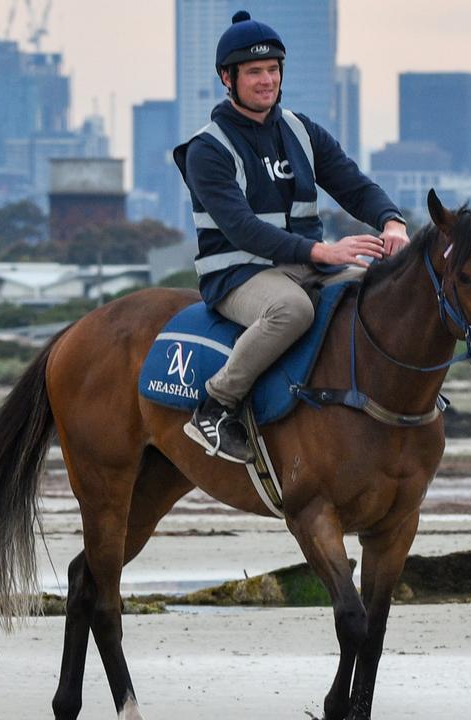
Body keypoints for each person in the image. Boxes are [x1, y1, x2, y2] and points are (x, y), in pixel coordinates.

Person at [172, 10, 410, 464]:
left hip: (309, 265)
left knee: (380, 292)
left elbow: (355, 186)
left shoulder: (303, 131)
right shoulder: (207, 148)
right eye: (255, 72)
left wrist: (392, 221)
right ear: (227, 77)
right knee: (291, 309)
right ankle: (216, 405)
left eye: (273, 70)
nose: (267, 80)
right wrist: (323, 250)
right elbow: (241, 227)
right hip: (239, 273)